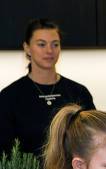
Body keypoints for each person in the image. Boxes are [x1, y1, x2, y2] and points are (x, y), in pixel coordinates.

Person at [0, 18, 95, 157]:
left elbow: (92, 140)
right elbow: (4, 153)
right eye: (41, 44)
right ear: (27, 48)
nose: (49, 50)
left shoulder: (79, 92)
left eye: (55, 44)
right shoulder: (9, 97)